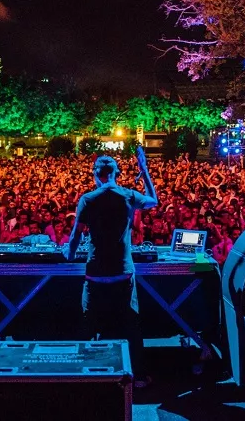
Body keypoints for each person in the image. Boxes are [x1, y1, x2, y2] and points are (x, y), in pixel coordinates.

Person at [67, 147, 158, 387]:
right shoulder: (128, 195)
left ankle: (82, 377)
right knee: (131, 324)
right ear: (117, 173)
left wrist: (69, 255)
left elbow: (76, 235)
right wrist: (144, 170)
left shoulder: (88, 199)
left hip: (95, 273)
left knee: (88, 323)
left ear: (95, 174)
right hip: (122, 272)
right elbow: (154, 200)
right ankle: (138, 376)